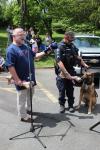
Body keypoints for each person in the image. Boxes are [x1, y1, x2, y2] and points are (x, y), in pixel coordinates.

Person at [6, 28, 51, 122]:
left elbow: (35, 56)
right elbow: (10, 66)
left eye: (23, 34)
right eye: (20, 35)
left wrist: (47, 50)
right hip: (21, 79)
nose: (23, 36)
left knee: (30, 94)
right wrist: (18, 81)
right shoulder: (11, 50)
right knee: (22, 98)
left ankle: (28, 109)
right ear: (14, 36)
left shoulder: (26, 46)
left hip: (31, 77)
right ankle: (23, 116)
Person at [54, 31, 89, 113]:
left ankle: (70, 105)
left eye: (73, 39)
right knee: (62, 89)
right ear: (66, 37)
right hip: (62, 71)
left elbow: (77, 56)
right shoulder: (59, 46)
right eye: (71, 39)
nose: (72, 40)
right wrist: (65, 73)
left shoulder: (72, 46)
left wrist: (84, 64)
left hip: (70, 69)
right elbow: (59, 62)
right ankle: (62, 105)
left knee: (70, 89)